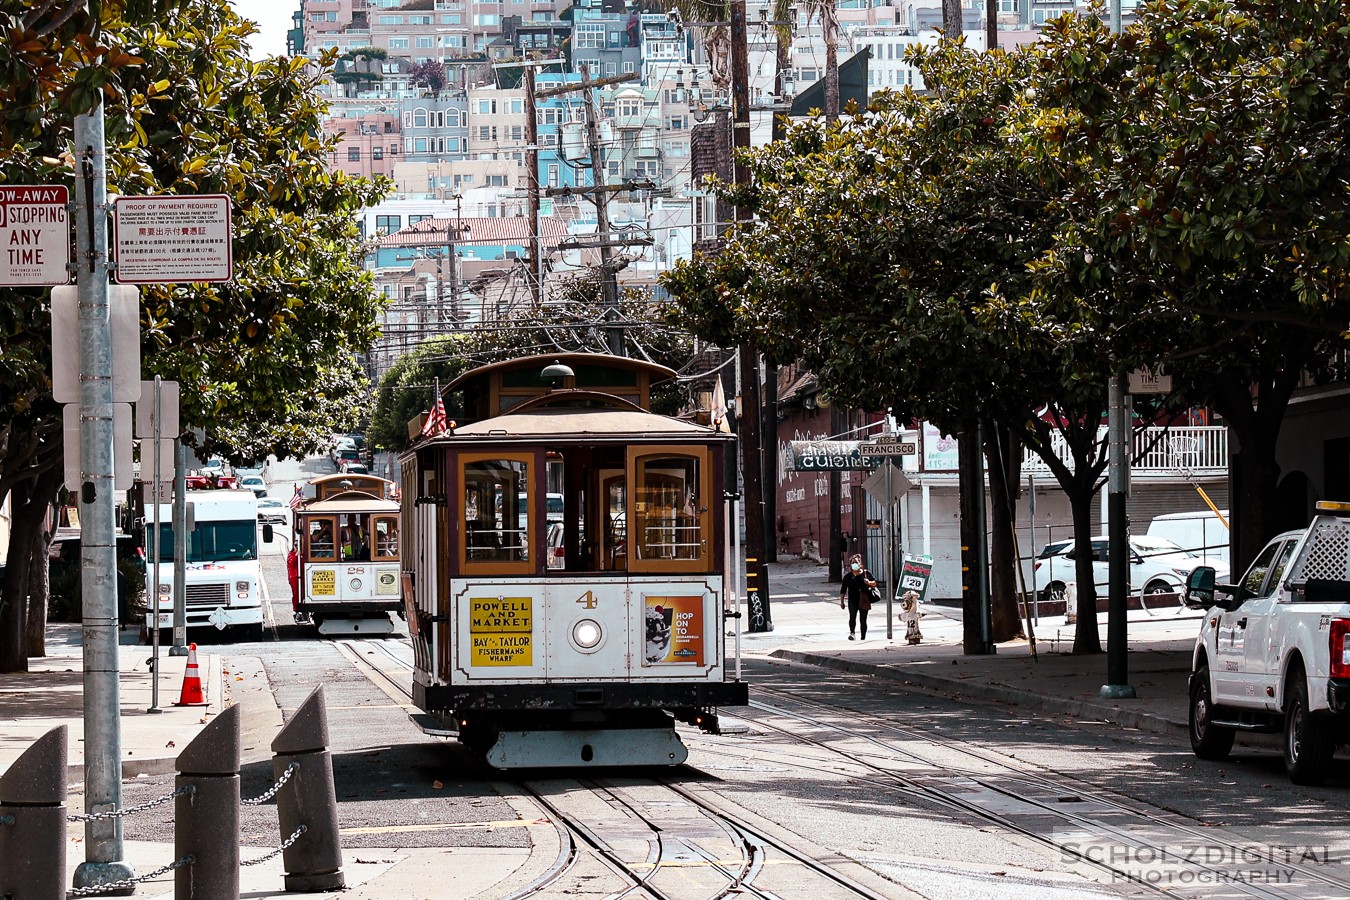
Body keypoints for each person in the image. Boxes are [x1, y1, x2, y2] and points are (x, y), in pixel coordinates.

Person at [839, 553, 878, 641]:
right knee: (852, 616)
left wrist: (868, 582)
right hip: (852, 600)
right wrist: (842, 602)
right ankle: (852, 633)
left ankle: (863, 637)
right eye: (852, 563)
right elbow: (843, 590)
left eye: (856, 562)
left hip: (864, 599)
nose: (854, 564)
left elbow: (874, 584)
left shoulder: (866, 574)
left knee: (863, 619)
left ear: (860, 564)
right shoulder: (848, 577)